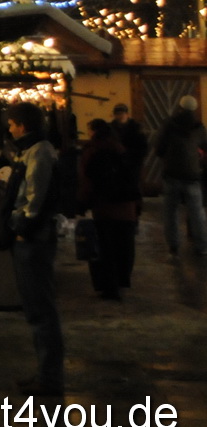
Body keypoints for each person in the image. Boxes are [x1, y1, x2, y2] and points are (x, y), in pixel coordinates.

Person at [0, 102, 63, 395]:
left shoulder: (38, 152)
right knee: (37, 309)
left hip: (33, 239)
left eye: (12, 124)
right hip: (31, 237)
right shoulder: (35, 150)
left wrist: (23, 227)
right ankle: (45, 374)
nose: (10, 129)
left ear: (22, 125)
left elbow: (35, 196)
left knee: (40, 310)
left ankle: (49, 379)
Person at [78, 119, 140, 299]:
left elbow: (86, 181)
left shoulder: (92, 151)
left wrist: (82, 202)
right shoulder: (121, 149)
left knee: (105, 248)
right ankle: (121, 282)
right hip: (126, 207)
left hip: (104, 207)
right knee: (124, 247)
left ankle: (109, 287)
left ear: (93, 132)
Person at [154, 95, 207, 256]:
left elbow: (159, 148)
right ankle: (202, 245)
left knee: (171, 211)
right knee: (197, 212)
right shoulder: (199, 127)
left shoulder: (169, 124)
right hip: (192, 175)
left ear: (180, 107)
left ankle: (173, 245)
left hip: (172, 174)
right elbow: (205, 146)